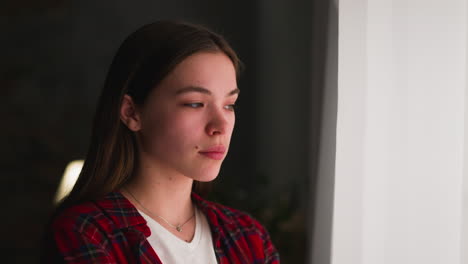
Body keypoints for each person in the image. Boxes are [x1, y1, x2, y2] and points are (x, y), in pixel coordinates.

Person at [40, 20, 280, 264]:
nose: (220, 126)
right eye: (195, 103)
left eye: (229, 105)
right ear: (132, 112)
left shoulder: (248, 237)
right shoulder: (86, 233)